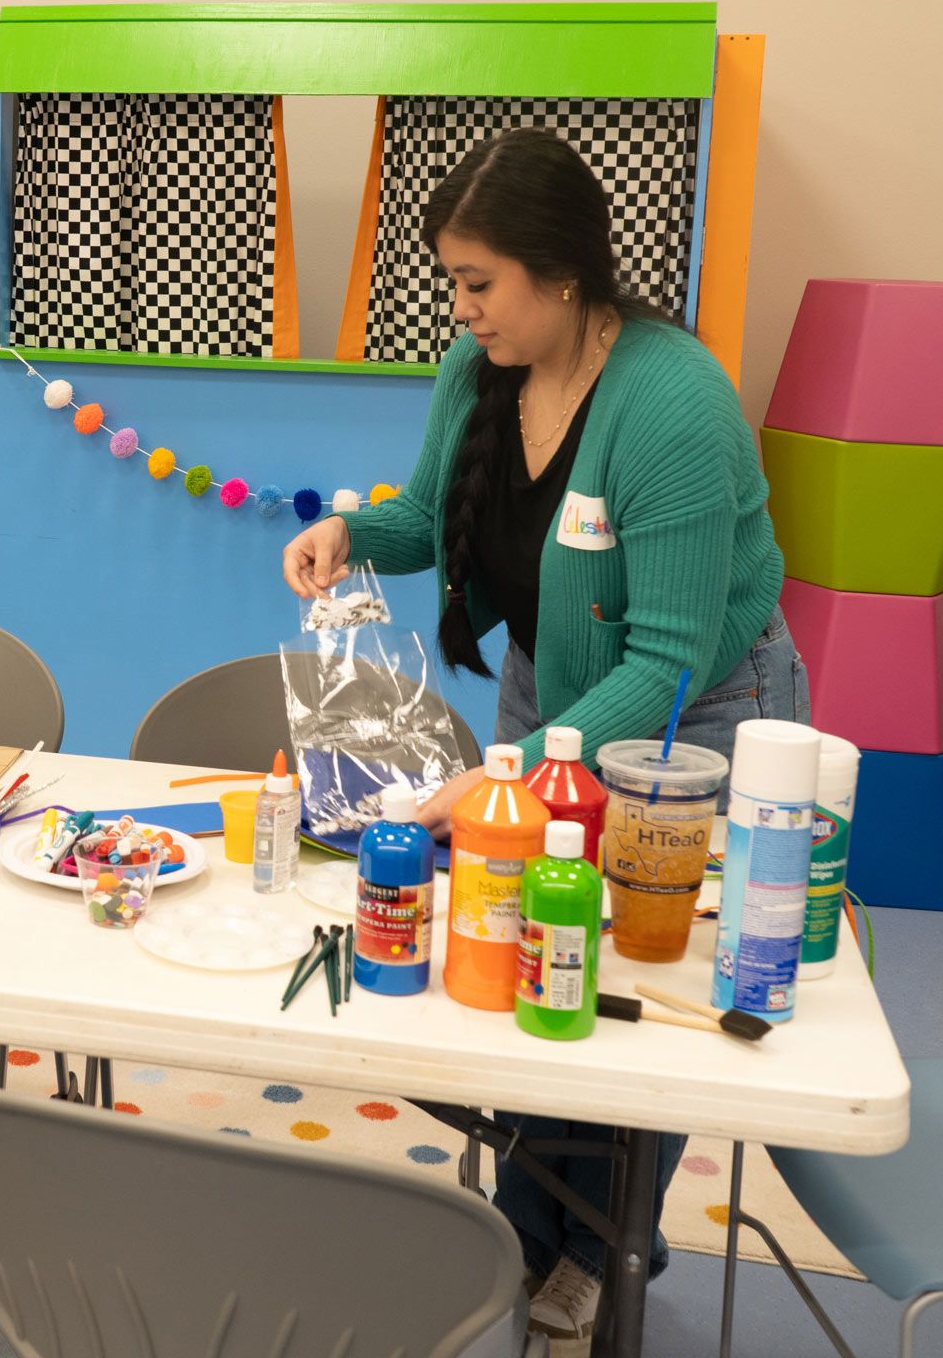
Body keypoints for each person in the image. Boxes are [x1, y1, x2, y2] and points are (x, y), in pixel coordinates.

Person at [282, 126, 808, 1347]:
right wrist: (353, 535)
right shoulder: (484, 371)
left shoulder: (673, 405)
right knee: (521, 946)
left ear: (563, 271)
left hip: (694, 721)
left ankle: (606, 1245)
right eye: (453, 283)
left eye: (480, 283)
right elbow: (433, 515)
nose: (462, 309)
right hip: (550, 694)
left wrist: (499, 775)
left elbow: (668, 659)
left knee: (626, 972)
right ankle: (526, 1226)